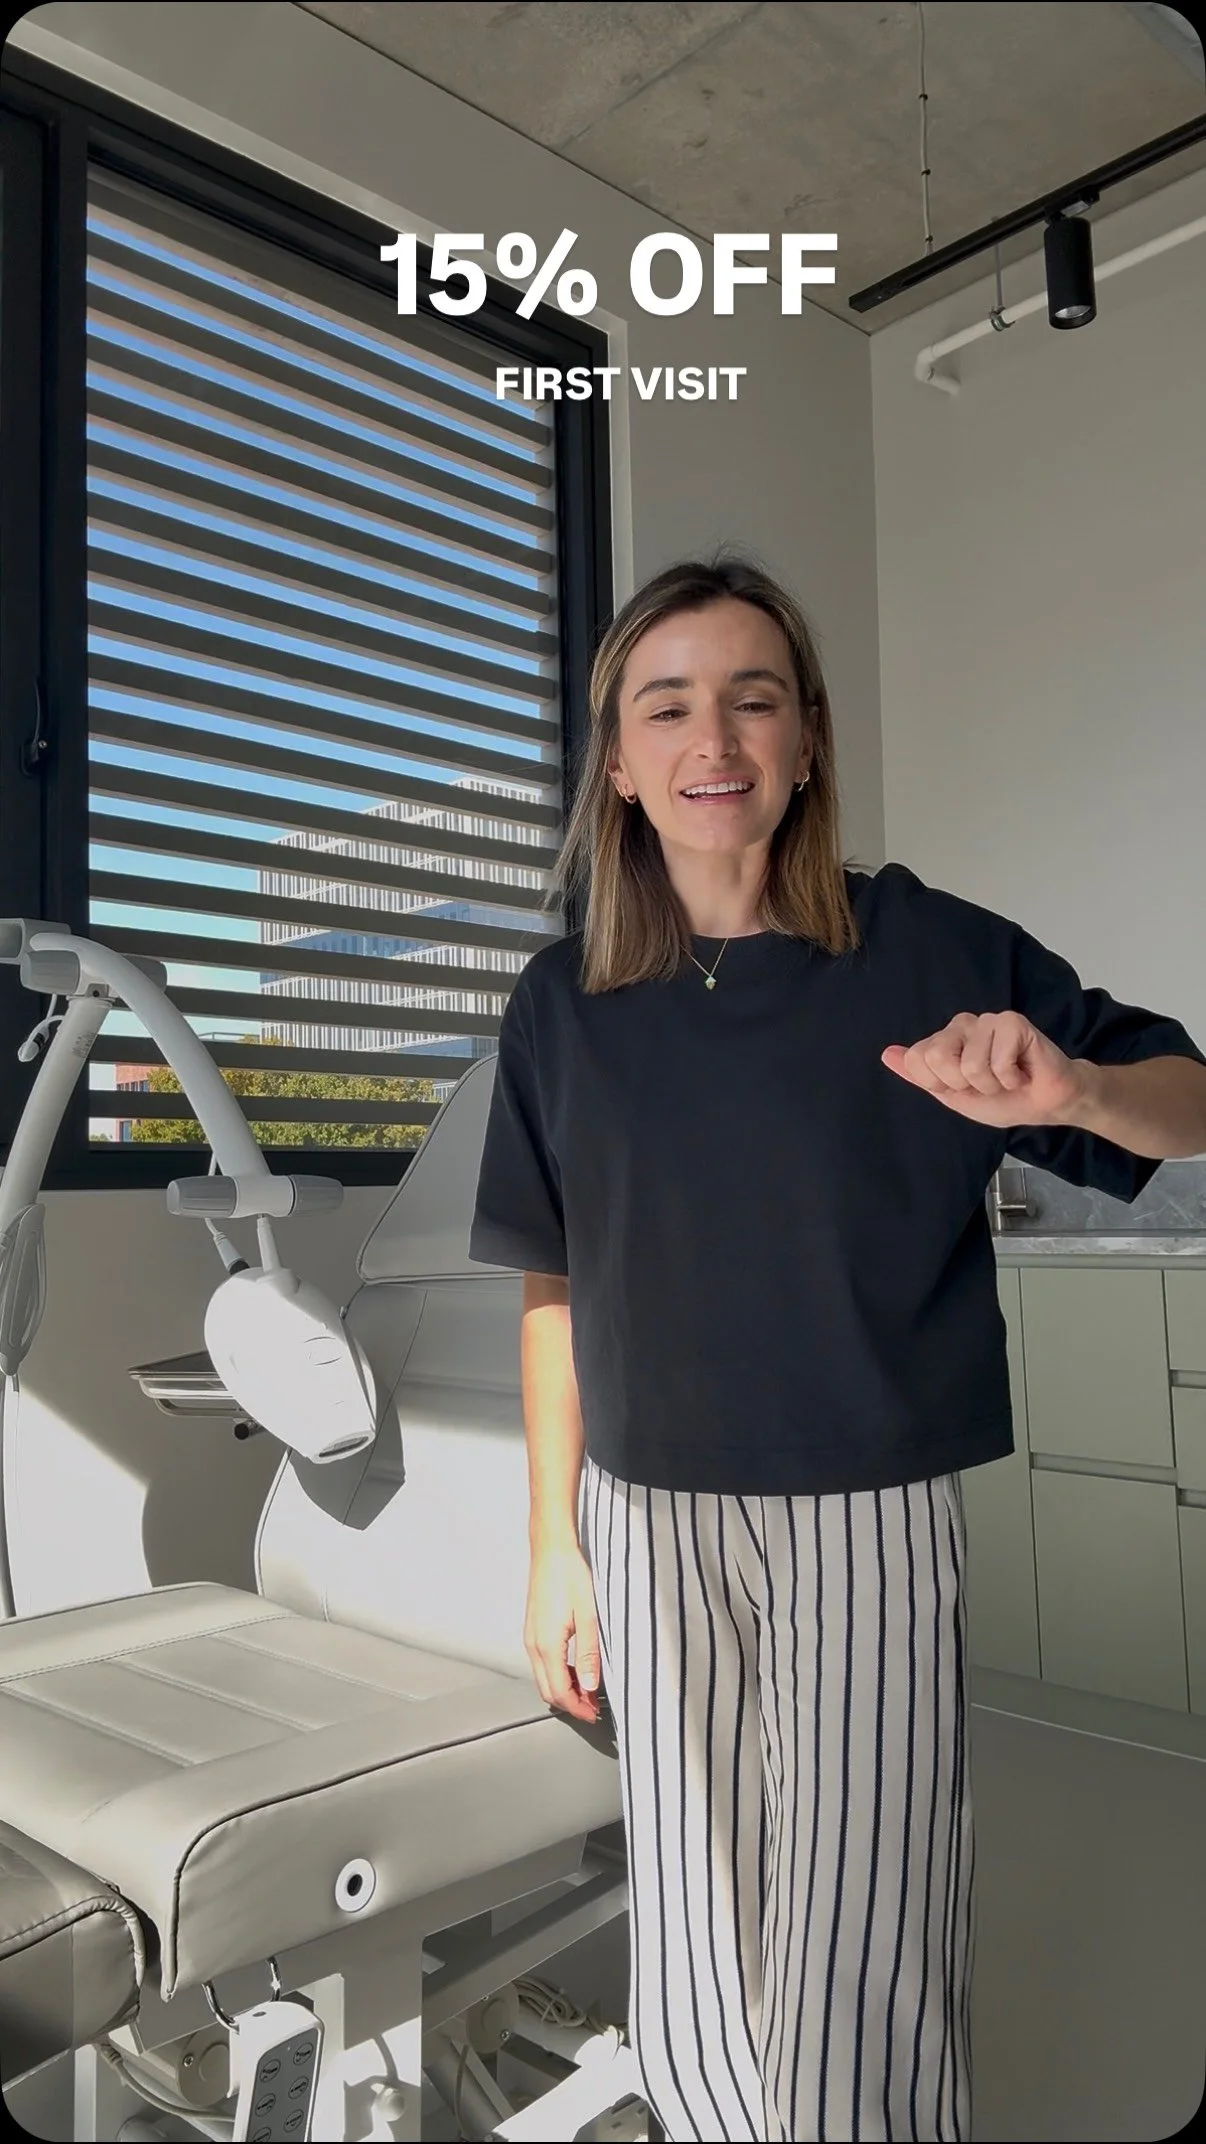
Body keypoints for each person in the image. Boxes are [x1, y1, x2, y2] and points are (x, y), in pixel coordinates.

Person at [468, 556, 1206, 2144]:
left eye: (753, 699)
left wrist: (1072, 1090)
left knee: (860, 1933)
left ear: (805, 739)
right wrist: (553, 1548)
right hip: (643, 1520)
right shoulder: (560, 1004)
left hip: (861, 1512)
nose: (712, 738)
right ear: (618, 762)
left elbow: (1189, 1102)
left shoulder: (921, 947)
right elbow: (552, 1282)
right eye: (667, 706)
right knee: (693, 1918)